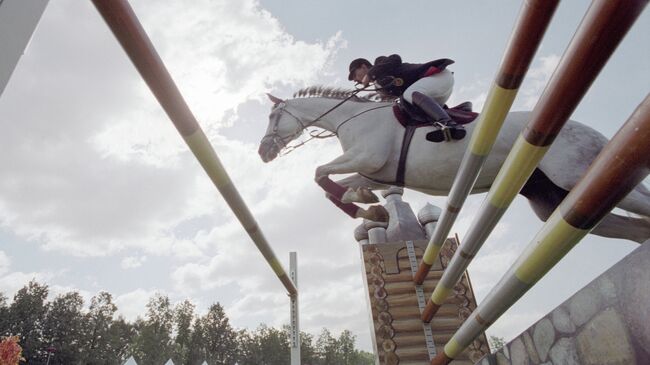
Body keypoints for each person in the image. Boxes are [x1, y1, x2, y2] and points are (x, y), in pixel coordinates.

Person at [347, 55, 465, 142]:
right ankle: (462, 110)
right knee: (409, 108)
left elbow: (395, 58)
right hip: (433, 93)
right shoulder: (380, 87)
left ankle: (449, 124)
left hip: (437, 77)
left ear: (363, 67)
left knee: (409, 94)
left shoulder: (379, 64)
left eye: (354, 75)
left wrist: (370, 74)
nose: (355, 80)